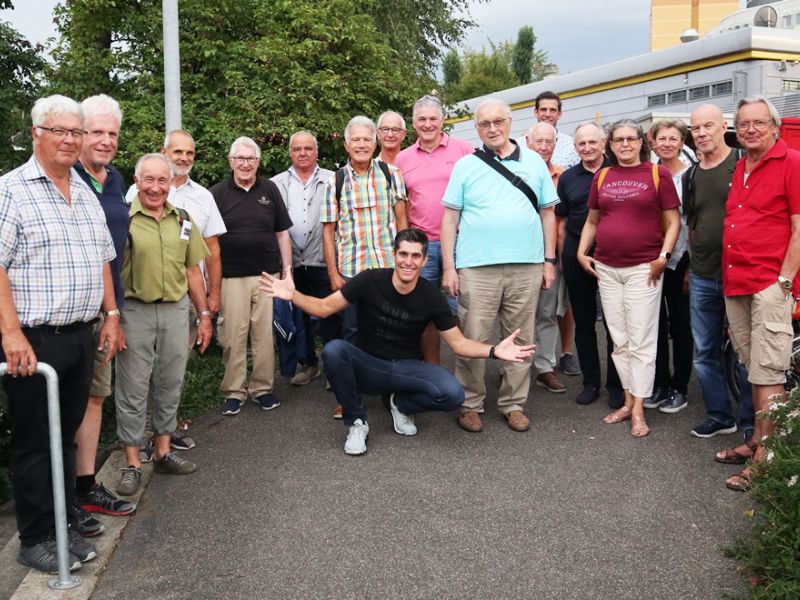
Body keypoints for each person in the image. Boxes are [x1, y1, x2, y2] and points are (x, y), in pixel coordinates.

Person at [260, 228, 535, 455]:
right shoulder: (369, 280)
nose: (408, 261)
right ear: (394, 255)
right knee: (333, 351)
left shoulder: (430, 296)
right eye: (403, 254)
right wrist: (291, 295)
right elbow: (323, 308)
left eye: (416, 256)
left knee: (453, 394)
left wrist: (495, 350)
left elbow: (459, 343)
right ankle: (356, 421)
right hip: (368, 365)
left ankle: (400, 405)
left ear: (425, 260)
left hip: (405, 369)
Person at [0, 94, 120, 573]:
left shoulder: (84, 190)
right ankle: (36, 538)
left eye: (76, 132)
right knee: (33, 442)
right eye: (60, 131)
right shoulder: (12, 189)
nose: (70, 140)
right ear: (37, 134)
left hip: (80, 334)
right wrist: (10, 333)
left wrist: (111, 315)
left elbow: (103, 259)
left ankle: (61, 521)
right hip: (34, 339)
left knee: (65, 435)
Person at [441, 98, 558, 433]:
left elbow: (548, 213)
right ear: (477, 129)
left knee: (520, 338)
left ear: (509, 122)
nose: (492, 128)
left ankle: (513, 404)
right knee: (474, 335)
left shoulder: (534, 162)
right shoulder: (466, 166)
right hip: (477, 268)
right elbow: (450, 220)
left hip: (527, 266)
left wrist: (549, 261)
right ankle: (469, 402)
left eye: (498, 121)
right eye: (484, 124)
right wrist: (450, 268)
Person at [114, 154, 212, 496]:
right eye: (149, 180)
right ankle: (131, 462)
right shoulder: (122, 219)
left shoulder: (182, 220)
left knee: (171, 382)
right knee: (133, 387)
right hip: (134, 311)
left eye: (162, 180)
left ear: (170, 183)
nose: (155, 187)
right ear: (137, 181)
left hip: (176, 311)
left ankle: (163, 451)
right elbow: (108, 272)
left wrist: (204, 315)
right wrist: (111, 318)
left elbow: (192, 272)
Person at [577, 119, 681, 437]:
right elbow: (593, 219)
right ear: (610, 144)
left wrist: (663, 257)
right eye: (618, 140)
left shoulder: (656, 174)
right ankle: (626, 400)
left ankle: (638, 409)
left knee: (642, 342)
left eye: (630, 139)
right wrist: (582, 252)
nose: (624, 145)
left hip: (643, 269)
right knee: (619, 342)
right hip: (607, 269)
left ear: (640, 142)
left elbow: (673, 221)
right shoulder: (603, 176)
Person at [721, 96, 800, 492]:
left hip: (769, 284)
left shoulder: (792, 163)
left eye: (758, 122)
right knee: (753, 366)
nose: (750, 129)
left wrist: (783, 281)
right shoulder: (741, 166)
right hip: (737, 281)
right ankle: (756, 440)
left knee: (769, 372)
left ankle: (765, 458)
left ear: (773, 125)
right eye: (743, 123)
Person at [72, 94, 135, 534]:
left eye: (112, 133)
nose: (106, 140)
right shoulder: (65, 178)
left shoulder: (114, 181)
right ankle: (58, 503)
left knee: (95, 398)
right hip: (67, 310)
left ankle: (84, 486)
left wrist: (116, 311)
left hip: (107, 309)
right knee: (62, 406)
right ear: (78, 134)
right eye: (97, 131)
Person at [684, 104, 755, 442]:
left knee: (744, 351)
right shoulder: (691, 175)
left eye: (708, 126)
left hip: (741, 273)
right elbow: (693, 223)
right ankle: (719, 415)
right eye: (696, 128)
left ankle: (749, 421)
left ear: (723, 126)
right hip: (702, 274)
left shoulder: (744, 163)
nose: (701, 133)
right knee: (706, 349)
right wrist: (691, 267)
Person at [211, 136, 293, 416]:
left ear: (258, 162)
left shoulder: (269, 189)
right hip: (231, 277)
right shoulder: (217, 193)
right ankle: (234, 391)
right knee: (233, 335)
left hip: (267, 276)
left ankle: (262, 389)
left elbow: (282, 233)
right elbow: (208, 240)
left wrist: (287, 272)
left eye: (251, 159)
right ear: (230, 161)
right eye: (240, 158)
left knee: (264, 336)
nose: (245, 164)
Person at [395, 95, 473, 363]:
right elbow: (400, 204)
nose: (427, 124)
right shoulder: (403, 159)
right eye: (421, 119)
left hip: (460, 243)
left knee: (463, 310)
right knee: (423, 312)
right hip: (422, 246)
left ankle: (468, 377)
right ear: (413, 123)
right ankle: (433, 372)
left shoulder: (464, 150)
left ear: (442, 121)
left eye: (433, 118)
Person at [557, 122, 624, 407]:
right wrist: (562, 259)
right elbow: (560, 220)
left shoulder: (619, 171)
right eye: (581, 144)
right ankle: (591, 382)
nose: (587, 148)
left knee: (615, 323)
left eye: (592, 142)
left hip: (614, 253)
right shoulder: (568, 178)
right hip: (576, 252)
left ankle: (617, 384)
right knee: (584, 321)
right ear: (575, 147)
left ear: (603, 142)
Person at [271, 131, 341, 385]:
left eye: (308, 148)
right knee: (298, 316)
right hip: (291, 261)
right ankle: (308, 364)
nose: (302, 153)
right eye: (297, 148)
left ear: (316, 151)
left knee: (330, 315)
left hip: (323, 259)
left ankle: (335, 369)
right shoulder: (276, 183)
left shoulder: (332, 179)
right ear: (290, 152)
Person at [644, 119, 695, 414]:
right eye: (661, 138)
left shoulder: (690, 176)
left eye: (672, 139)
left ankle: (679, 386)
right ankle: (659, 382)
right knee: (655, 324)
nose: (666, 143)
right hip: (652, 258)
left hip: (682, 258)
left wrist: (691, 265)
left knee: (681, 324)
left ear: (681, 142)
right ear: (653, 142)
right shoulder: (650, 174)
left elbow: (693, 222)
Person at [524, 121, 567, 394]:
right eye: (538, 141)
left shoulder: (564, 176)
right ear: (527, 141)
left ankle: (545, 368)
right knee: (516, 316)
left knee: (547, 313)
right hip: (520, 256)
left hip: (550, 256)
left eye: (548, 142)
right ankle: (514, 368)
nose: (543, 147)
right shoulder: (514, 171)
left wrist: (554, 259)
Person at [526, 91, 580, 168]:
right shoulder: (520, 144)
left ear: (559, 114)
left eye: (552, 110)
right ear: (536, 112)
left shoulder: (572, 145)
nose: (547, 114)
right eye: (543, 110)